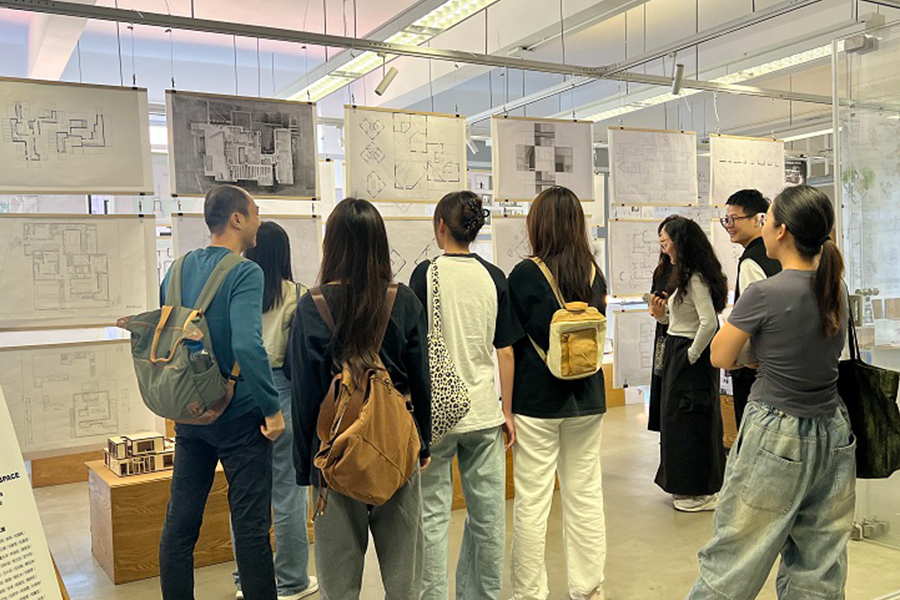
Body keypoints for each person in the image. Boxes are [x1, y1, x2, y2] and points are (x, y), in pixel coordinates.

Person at [686, 185, 854, 599]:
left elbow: (720, 356)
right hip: (833, 430)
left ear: (782, 231)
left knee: (735, 557)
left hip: (776, 433)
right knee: (819, 563)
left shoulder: (764, 292)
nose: (762, 226)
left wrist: (756, 353)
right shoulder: (836, 287)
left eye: (767, 218)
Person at [289, 197, 431, 599]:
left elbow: (304, 394)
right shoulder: (403, 300)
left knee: (337, 581)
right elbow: (421, 379)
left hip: (334, 453)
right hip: (394, 446)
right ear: (379, 244)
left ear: (331, 244)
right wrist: (423, 443)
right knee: (405, 578)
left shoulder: (312, 306)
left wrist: (305, 466)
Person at [159, 184, 285, 600]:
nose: (259, 221)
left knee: (180, 525)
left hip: (189, 414)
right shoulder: (246, 272)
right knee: (250, 529)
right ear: (236, 219)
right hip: (239, 417)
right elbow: (248, 345)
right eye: (255, 212)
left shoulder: (176, 270)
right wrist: (272, 409)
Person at [410, 191, 523, 600]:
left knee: (432, 516)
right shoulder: (494, 276)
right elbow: (505, 350)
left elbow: (415, 348)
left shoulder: (424, 275)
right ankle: (482, 594)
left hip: (436, 415)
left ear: (441, 225)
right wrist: (507, 411)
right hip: (483, 413)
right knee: (488, 518)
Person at [508, 186, 609, 600]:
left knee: (532, 500)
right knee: (585, 494)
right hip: (588, 397)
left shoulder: (524, 275)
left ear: (539, 224)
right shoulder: (593, 273)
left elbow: (510, 344)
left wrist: (506, 407)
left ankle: (529, 592)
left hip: (536, 401)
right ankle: (588, 587)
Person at [230, 221, 317, 600]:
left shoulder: (238, 292)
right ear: (284, 254)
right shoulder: (298, 295)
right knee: (288, 493)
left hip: (240, 393)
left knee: (245, 495)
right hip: (282, 393)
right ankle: (292, 581)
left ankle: (246, 580)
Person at [648, 216, 728, 513]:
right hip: (677, 347)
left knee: (692, 420)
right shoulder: (681, 276)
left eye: (666, 242)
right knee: (677, 421)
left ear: (680, 243)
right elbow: (681, 319)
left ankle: (696, 490)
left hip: (689, 353)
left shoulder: (695, 278)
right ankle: (685, 489)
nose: (664, 248)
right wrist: (661, 317)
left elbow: (709, 323)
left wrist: (692, 355)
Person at [721, 189, 782, 430]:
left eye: (735, 219)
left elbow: (754, 318)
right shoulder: (777, 254)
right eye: (727, 219)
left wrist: (746, 358)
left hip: (757, 369)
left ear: (759, 219)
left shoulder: (752, 260)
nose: (729, 225)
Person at [648, 215, 678, 433]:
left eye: (665, 236)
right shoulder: (661, 270)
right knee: (661, 380)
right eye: (660, 235)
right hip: (663, 331)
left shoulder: (689, 271)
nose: (662, 240)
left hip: (680, 333)